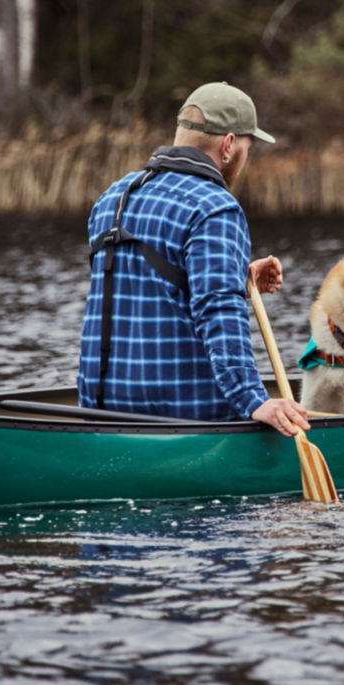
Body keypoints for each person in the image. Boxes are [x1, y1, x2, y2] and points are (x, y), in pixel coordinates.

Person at [77, 81, 310, 437]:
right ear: (229, 145)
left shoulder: (113, 197)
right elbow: (218, 308)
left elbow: (144, 286)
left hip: (102, 412)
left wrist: (239, 278)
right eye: (248, 147)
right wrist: (253, 400)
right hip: (185, 416)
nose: (246, 158)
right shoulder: (215, 207)